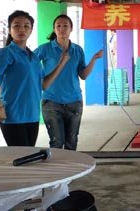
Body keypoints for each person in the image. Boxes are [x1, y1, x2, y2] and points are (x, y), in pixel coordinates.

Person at [34, 15, 104, 151]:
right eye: (58, 26)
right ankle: (57, 165)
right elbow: (29, 62)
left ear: (71, 28)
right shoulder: (45, 49)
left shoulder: (77, 50)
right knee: (57, 141)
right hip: (51, 102)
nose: (62, 29)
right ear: (54, 29)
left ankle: (70, 165)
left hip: (74, 101)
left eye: (65, 26)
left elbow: (83, 75)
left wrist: (94, 59)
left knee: (72, 142)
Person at [0, 10, 43, 147]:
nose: (22, 29)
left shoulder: (34, 57)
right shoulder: (6, 53)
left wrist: (62, 63)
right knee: (20, 156)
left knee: (29, 155)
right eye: (16, 26)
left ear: (31, 30)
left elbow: (42, 85)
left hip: (33, 115)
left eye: (26, 26)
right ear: (9, 30)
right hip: (13, 115)